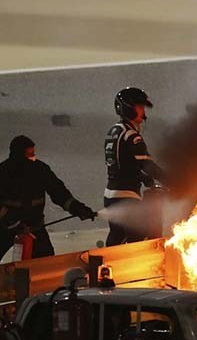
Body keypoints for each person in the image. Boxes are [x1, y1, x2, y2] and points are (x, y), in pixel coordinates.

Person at [0, 136, 97, 259]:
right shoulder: (3, 173)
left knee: (46, 262)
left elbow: (59, 193)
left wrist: (78, 209)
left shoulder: (40, 170)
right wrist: (12, 222)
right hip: (5, 228)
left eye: (33, 154)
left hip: (35, 228)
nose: (33, 157)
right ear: (18, 155)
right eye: (30, 154)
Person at [104, 87, 168, 246]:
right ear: (127, 108)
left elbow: (124, 165)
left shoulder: (114, 131)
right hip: (126, 197)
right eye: (139, 107)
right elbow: (147, 164)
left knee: (117, 238)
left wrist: (145, 179)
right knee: (137, 241)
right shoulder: (131, 135)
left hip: (111, 195)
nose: (143, 111)